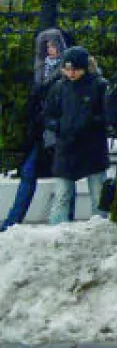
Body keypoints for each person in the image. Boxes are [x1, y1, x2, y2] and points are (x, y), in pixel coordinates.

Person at [1, 30, 67, 231]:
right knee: (29, 173)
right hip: (40, 133)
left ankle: (61, 222)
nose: (50, 50)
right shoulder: (40, 71)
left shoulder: (65, 71)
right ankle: (13, 220)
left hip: (56, 132)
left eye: (53, 45)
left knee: (64, 179)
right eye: (46, 46)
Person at [44, 46, 110, 224]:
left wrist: (89, 123)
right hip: (67, 146)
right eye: (67, 69)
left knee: (98, 196)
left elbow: (108, 115)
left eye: (75, 69)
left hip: (92, 147)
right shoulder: (59, 87)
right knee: (62, 195)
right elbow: (48, 114)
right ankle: (57, 231)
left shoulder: (99, 85)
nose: (71, 74)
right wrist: (60, 126)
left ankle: (99, 230)